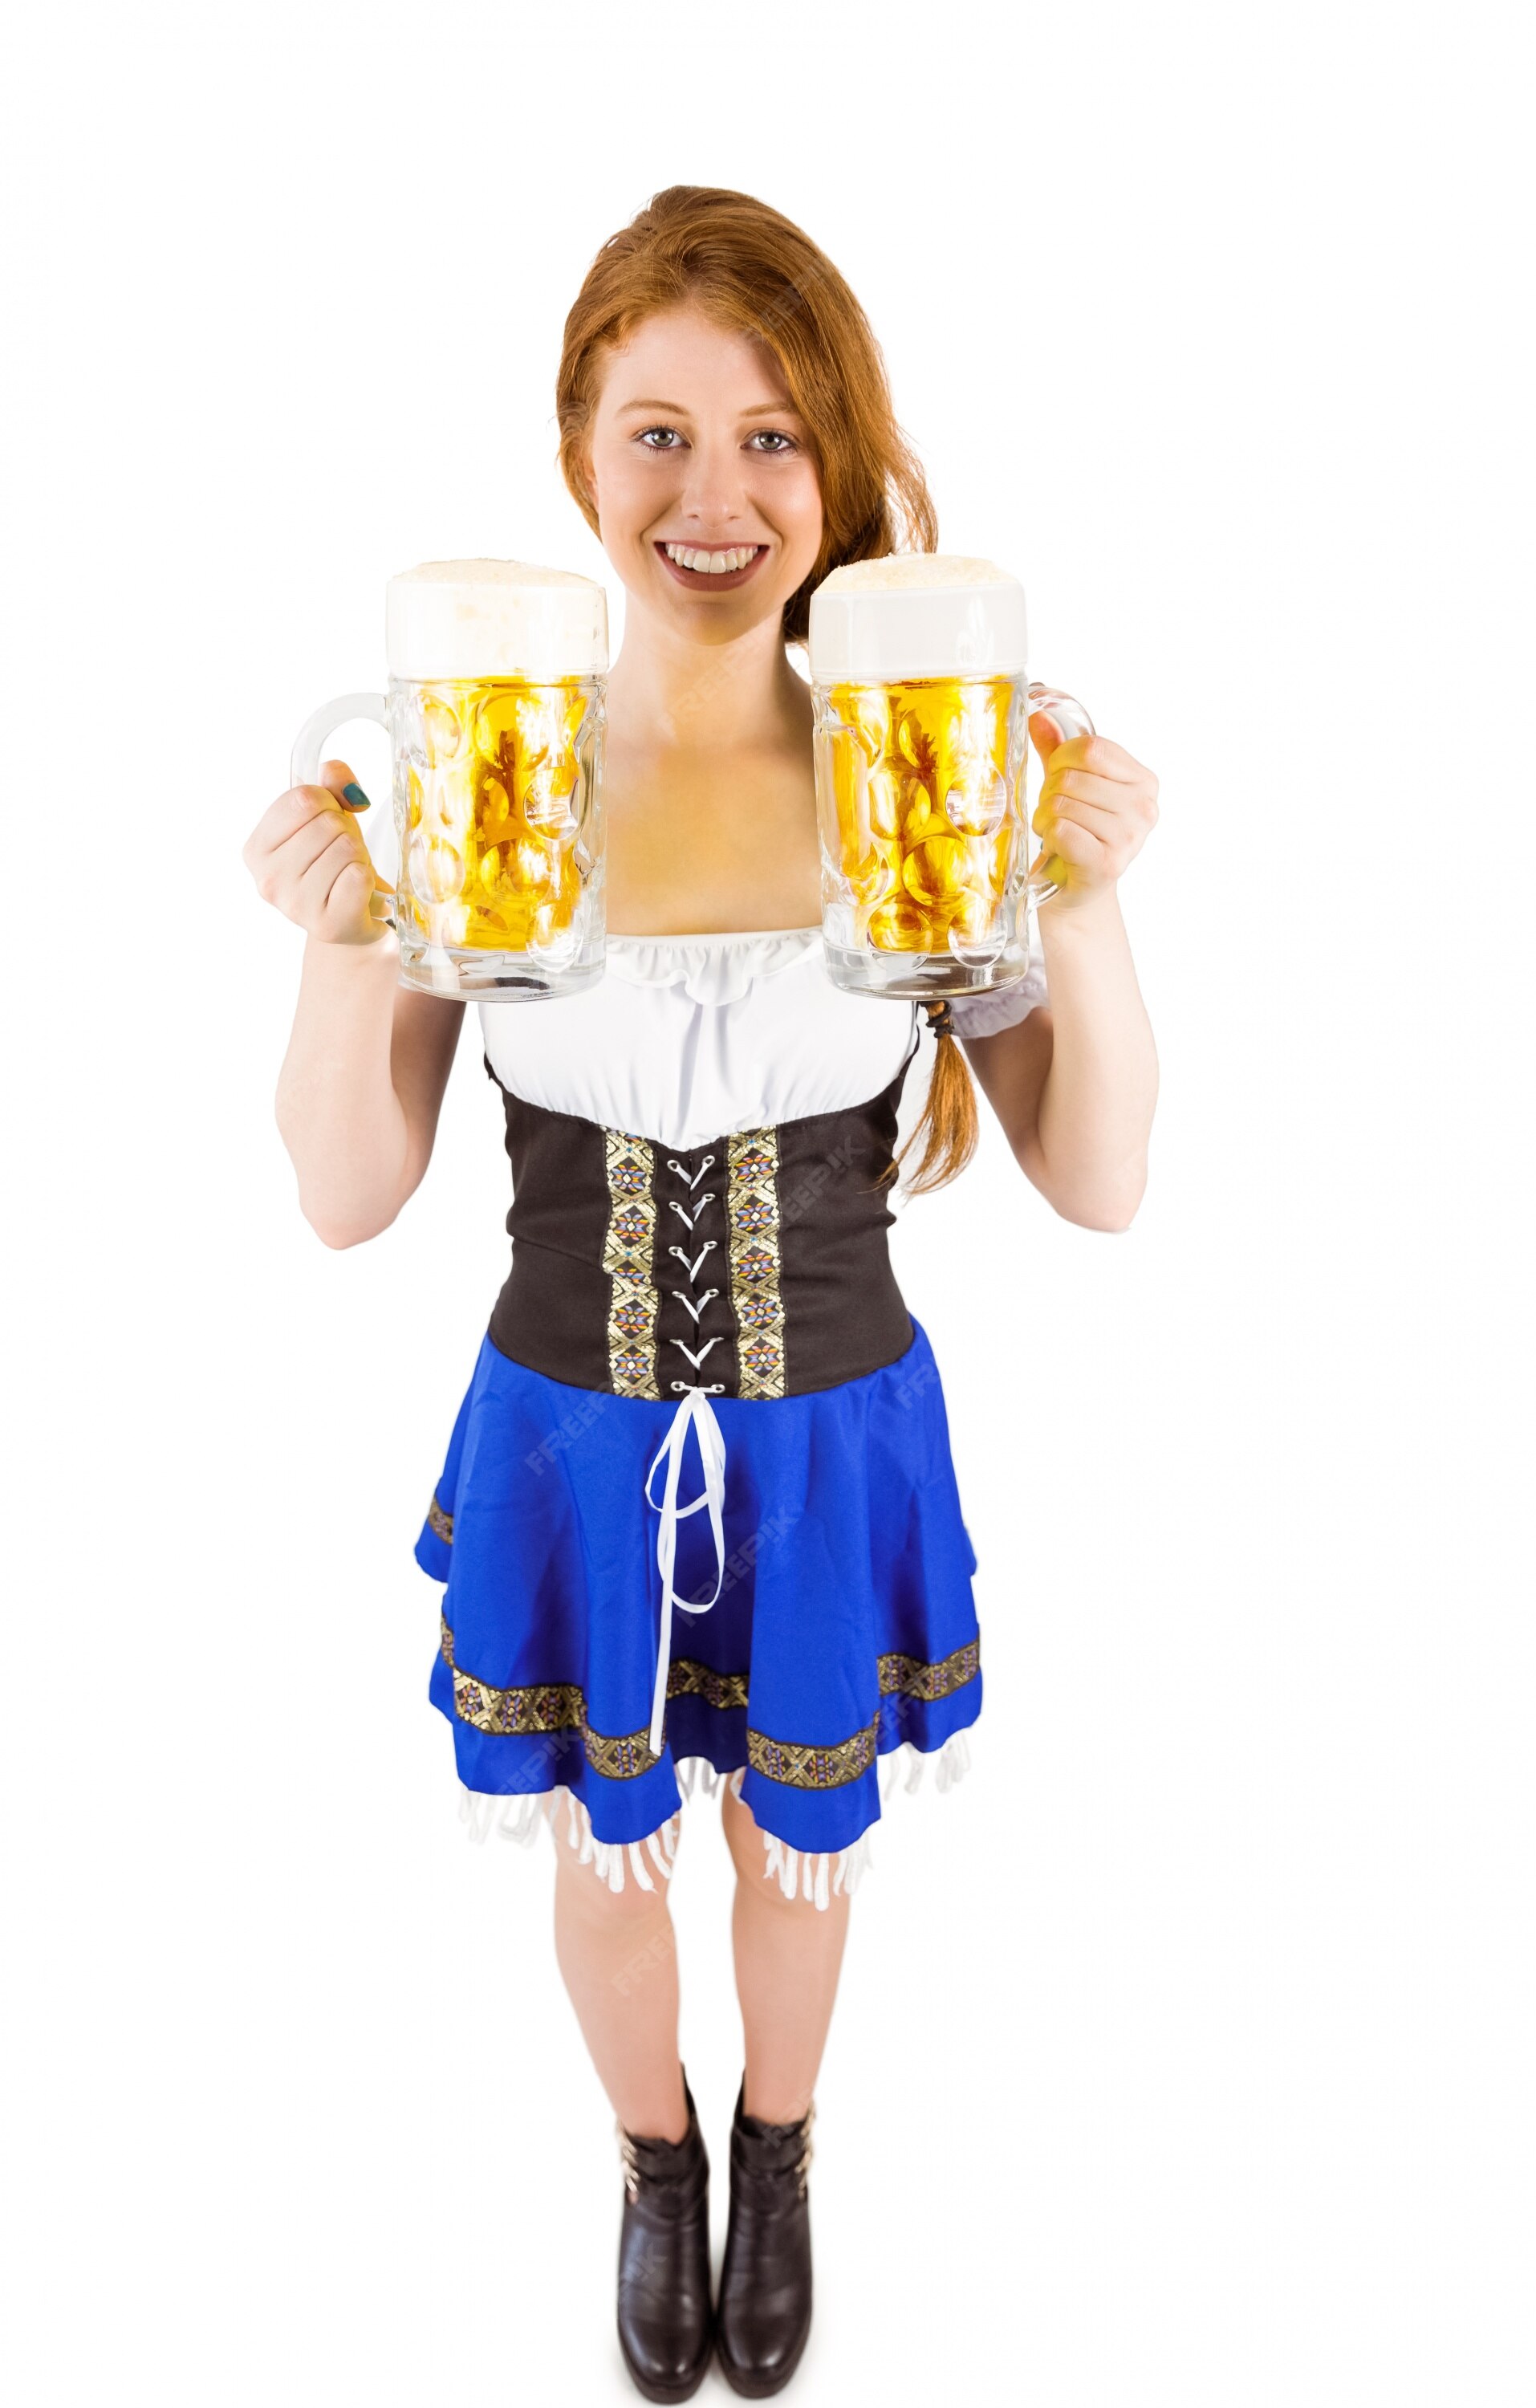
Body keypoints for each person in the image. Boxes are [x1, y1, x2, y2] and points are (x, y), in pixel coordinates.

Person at [243, 185, 1159, 2404]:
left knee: (798, 1834)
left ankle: (786, 2140)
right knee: (606, 1836)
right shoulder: (476, 758)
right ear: (577, 463)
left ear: (836, 468)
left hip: (831, 1417)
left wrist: (1091, 896)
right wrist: (335, 928)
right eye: (656, 435)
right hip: (564, 1420)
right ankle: (655, 2165)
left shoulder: (923, 758)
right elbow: (347, 1200)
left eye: (770, 438)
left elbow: (1102, 1181)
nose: (716, 494)